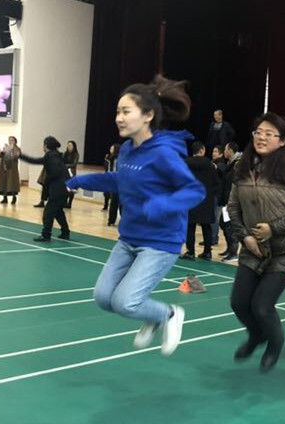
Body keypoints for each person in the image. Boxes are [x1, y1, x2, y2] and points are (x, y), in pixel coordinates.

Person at [65, 75, 205, 356]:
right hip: (129, 238)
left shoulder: (164, 153)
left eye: (126, 111)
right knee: (103, 298)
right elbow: (121, 180)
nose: (119, 117)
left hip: (159, 243)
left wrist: (161, 205)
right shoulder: (128, 149)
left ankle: (168, 315)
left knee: (125, 302)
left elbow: (195, 190)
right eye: (117, 111)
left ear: (148, 115)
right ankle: (151, 317)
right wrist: (81, 181)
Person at [228, 112, 285, 372]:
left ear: (283, 140)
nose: (261, 137)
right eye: (258, 132)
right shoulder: (242, 167)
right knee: (239, 302)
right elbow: (233, 207)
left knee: (262, 306)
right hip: (253, 247)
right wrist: (245, 236)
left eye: (269, 133)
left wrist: (272, 229)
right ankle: (257, 336)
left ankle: (274, 345)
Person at [19, 137, 71, 241]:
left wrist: (48, 180)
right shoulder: (56, 155)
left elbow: (55, 172)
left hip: (58, 188)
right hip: (65, 187)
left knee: (48, 212)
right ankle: (65, 232)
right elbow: (36, 161)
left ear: (46, 146)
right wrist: (20, 155)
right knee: (58, 211)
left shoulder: (50, 156)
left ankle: (46, 235)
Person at [183, 141, 218, 260]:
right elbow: (216, 182)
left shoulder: (186, 163)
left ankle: (190, 252)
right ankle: (207, 252)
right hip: (206, 199)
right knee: (206, 226)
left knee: (190, 226)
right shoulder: (209, 164)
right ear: (202, 150)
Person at [218, 141, 243, 262]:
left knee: (230, 226)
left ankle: (233, 253)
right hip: (227, 199)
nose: (224, 152)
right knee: (224, 223)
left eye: (225, 149)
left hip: (233, 201)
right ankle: (229, 249)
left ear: (230, 150)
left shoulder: (239, 163)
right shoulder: (230, 163)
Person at [0, 136, 20, 204]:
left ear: (15, 141)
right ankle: (5, 198)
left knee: (12, 183)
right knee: (4, 183)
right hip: (5, 169)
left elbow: (16, 156)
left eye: (12, 140)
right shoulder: (6, 147)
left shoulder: (17, 148)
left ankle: (14, 198)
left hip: (12, 170)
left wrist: (12, 149)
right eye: (9, 140)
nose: (10, 141)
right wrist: (2, 152)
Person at [103, 143, 121, 226]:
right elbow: (107, 168)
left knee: (121, 204)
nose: (110, 150)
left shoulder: (122, 159)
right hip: (113, 183)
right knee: (113, 202)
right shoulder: (110, 158)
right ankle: (111, 221)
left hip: (121, 183)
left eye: (112, 149)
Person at [63, 140, 79, 208]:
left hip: (72, 173)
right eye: (68, 145)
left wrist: (66, 165)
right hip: (65, 172)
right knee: (65, 187)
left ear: (74, 146)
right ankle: (65, 202)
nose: (69, 146)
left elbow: (74, 164)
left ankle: (69, 203)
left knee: (71, 188)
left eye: (70, 145)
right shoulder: (65, 153)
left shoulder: (76, 154)